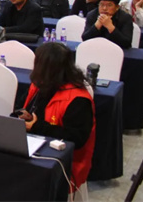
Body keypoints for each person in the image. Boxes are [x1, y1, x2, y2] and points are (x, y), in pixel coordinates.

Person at [19, 42, 95, 194]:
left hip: (62, 162)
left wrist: (37, 127)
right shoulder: (39, 85)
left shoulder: (78, 99)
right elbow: (26, 108)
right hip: (32, 146)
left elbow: (76, 139)